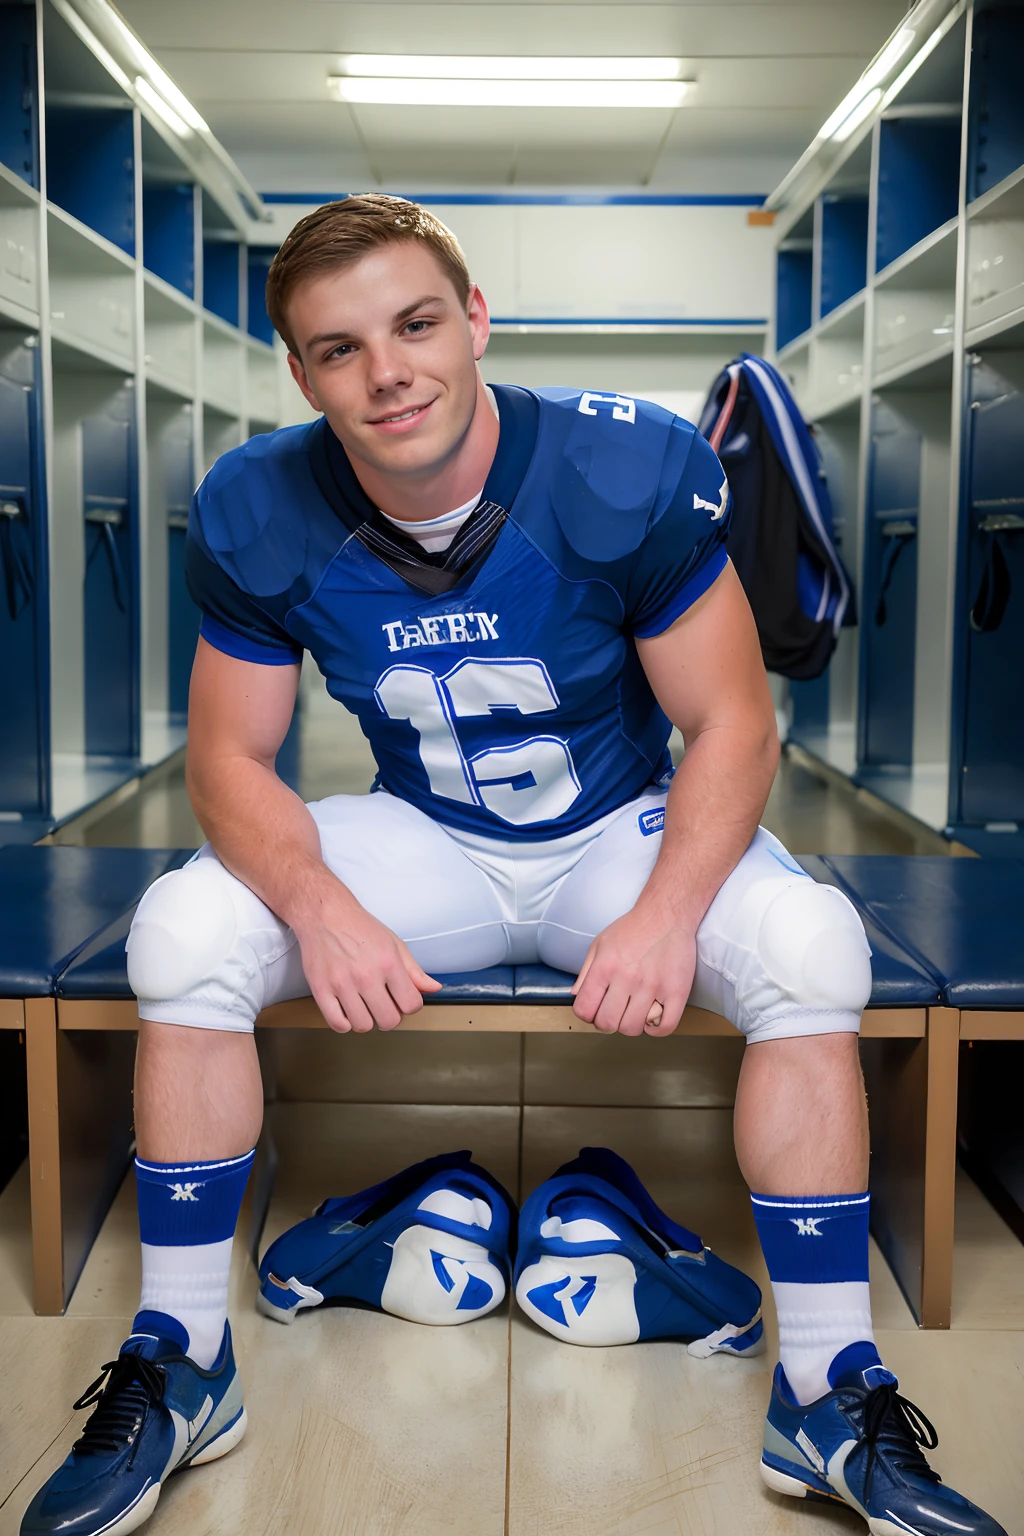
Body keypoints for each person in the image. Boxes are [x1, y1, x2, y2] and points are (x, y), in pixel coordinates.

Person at [22, 196, 1004, 1536]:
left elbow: (733, 725)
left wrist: (666, 917)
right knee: (187, 931)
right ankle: (186, 1359)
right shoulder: (258, 501)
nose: (388, 370)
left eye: (417, 323)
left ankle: (827, 1390)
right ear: (301, 372)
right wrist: (317, 904)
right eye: (338, 348)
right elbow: (229, 765)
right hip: (425, 837)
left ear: (476, 320)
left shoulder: (623, 470)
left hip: (614, 834)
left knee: (810, 948)